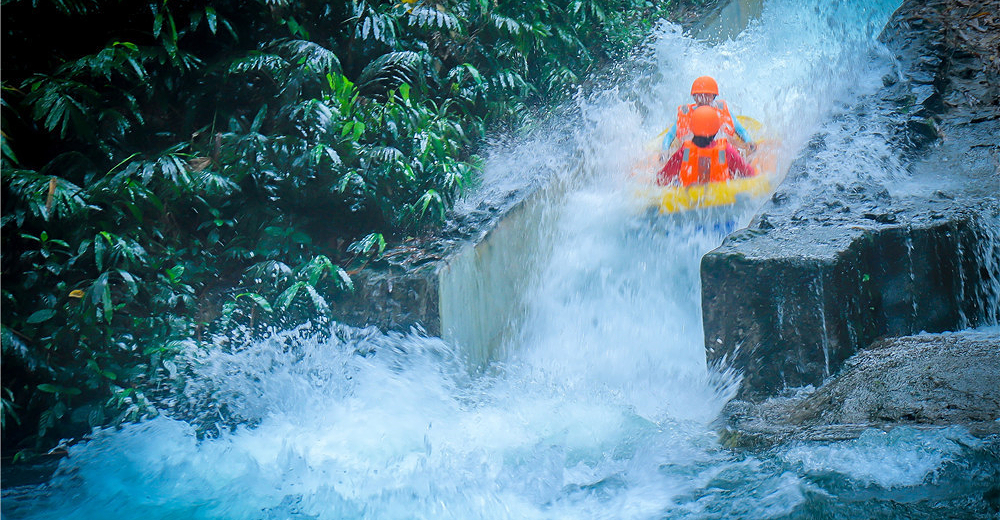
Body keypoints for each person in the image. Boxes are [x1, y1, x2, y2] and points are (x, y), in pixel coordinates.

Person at [657, 105, 756, 186]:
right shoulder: (725, 150)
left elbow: (664, 177)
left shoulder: (684, 152)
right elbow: (748, 173)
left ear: (692, 128)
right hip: (723, 197)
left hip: (690, 198)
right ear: (716, 130)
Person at [661, 76, 756, 152]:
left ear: (714, 96)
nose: (703, 99)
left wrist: (748, 141)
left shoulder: (722, 112)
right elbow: (670, 135)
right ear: (694, 97)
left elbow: (740, 130)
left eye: (707, 95)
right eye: (699, 96)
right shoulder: (686, 114)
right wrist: (665, 150)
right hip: (692, 152)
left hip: (721, 152)